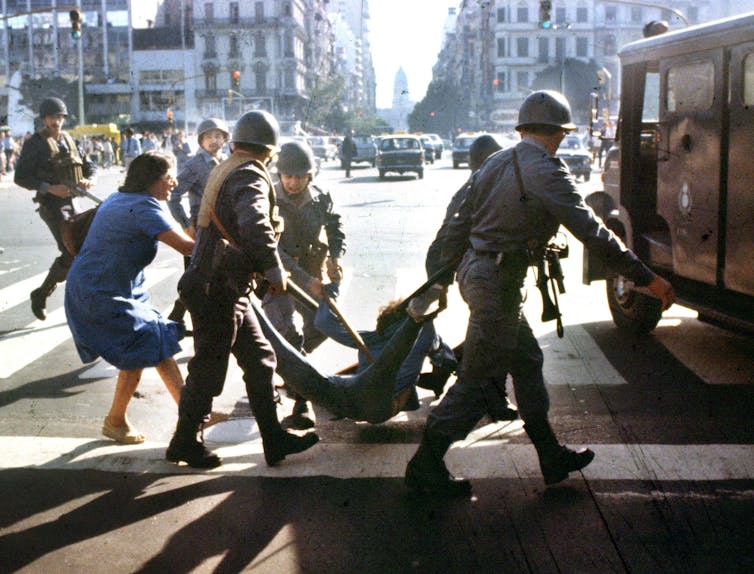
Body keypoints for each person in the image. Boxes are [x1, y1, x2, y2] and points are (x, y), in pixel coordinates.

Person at [404, 90, 676, 496]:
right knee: (478, 383)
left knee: (527, 361)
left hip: (481, 275)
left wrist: (444, 277)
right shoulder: (547, 171)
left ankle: (549, 455)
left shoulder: (496, 161)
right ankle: (424, 466)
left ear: (524, 128)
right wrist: (646, 279)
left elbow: (458, 221)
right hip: (498, 285)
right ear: (557, 133)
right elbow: (593, 232)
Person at [165, 110, 319, 469]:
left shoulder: (230, 166)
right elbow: (254, 223)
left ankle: (274, 439)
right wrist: (273, 268)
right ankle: (184, 441)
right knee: (208, 369)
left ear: (236, 142)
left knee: (260, 359)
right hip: (218, 288)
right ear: (269, 150)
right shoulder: (249, 173)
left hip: (222, 284)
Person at [64, 150, 194, 444]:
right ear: (152, 180)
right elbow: (187, 248)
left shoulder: (119, 198)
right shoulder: (146, 207)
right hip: (99, 291)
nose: (173, 183)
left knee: (156, 338)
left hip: (106, 286)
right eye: (168, 177)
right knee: (144, 340)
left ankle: (190, 412)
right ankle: (117, 420)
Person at [412, 134, 518, 422]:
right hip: (452, 265)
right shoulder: (479, 188)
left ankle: (447, 366)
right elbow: (451, 236)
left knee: (490, 333)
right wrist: (440, 281)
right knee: (496, 333)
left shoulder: (481, 185)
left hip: (453, 263)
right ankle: (491, 398)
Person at [263, 140, 346, 429]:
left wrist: (335, 257)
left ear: (310, 175)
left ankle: (292, 367)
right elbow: (273, 249)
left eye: (300, 176)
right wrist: (306, 280)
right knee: (290, 332)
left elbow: (335, 227)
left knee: (323, 325)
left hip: (312, 270)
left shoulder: (321, 197)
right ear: (279, 174)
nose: (294, 182)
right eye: (288, 176)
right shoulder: (268, 197)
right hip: (279, 276)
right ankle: (301, 400)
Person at [14, 97, 97, 321]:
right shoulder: (36, 144)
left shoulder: (71, 140)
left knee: (81, 251)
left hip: (74, 202)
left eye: (59, 117)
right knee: (71, 250)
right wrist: (50, 188)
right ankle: (43, 295)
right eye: (52, 118)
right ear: (44, 119)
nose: (56, 122)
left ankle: (43, 294)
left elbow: (90, 165)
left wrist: (89, 179)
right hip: (52, 205)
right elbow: (20, 177)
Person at [166, 117, 229, 325]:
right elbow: (173, 196)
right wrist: (185, 225)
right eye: (209, 137)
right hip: (202, 227)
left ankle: (181, 316)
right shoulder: (195, 164)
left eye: (218, 136)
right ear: (201, 140)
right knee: (196, 277)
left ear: (225, 139)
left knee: (215, 277)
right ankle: (180, 319)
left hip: (222, 227)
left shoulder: (227, 161)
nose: (213, 141)